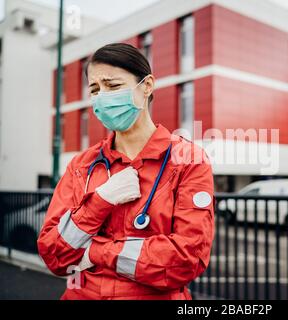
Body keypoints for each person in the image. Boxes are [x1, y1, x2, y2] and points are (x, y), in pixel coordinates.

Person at [37, 43, 215, 300]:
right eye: (95, 89)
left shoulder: (189, 161)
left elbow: (186, 260)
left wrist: (94, 251)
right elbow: (54, 254)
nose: (102, 97)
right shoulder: (82, 165)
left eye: (113, 86)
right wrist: (100, 201)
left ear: (147, 86)